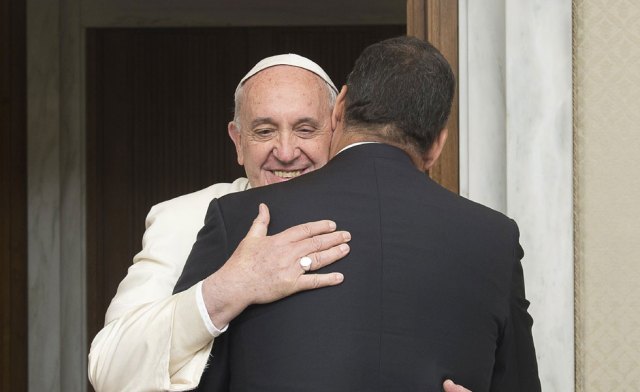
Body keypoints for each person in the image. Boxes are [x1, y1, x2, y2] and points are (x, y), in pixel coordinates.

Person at [174, 36, 541, 391]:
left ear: (340, 107)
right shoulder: (495, 239)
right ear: (438, 144)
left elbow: (176, 376)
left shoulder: (240, 219)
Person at [89, 52, 471, 392]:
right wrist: (227, 288)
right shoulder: (185, 217)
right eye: (264, 131)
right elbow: (108, 368)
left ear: (337, 128)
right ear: (237, 141)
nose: (286, 153)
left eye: (306, 129)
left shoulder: (392, 225)